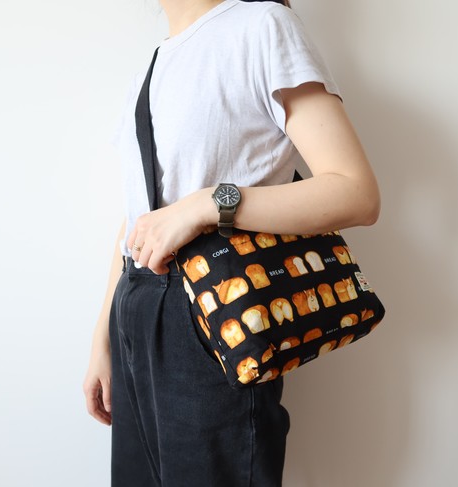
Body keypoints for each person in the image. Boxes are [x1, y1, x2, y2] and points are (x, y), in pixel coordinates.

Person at [83, 0, 381, 485]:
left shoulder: (261, 27)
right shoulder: (152, 66)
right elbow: (141, 219)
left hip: (213, 311)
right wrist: (104, 338)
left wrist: (207, 204)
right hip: (136, 312)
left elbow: (356, 191)